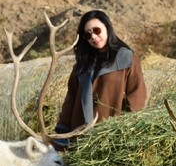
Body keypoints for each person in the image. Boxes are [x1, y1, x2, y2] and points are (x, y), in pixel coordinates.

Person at [53, 9, 147, 145]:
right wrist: (62, 131)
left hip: (111, 138)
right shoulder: (82, 65)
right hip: (80, 139)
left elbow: (136, 95)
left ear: (107, 28)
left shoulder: (127, 58)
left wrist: (127, 130)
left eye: (97, 30)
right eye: (88, 35)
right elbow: (71, 99)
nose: (94, 37)